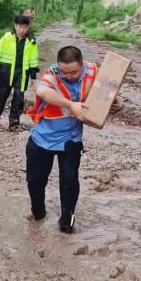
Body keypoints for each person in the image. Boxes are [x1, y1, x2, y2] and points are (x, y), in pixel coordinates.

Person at [26, 46, 97, 234]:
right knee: (35, 182)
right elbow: (42, 91)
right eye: (64, 72)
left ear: (82, 64)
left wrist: (114, 105)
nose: (69, 76)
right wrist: (70, 105)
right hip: (42, 138)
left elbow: (104, 99)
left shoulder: (93, 73)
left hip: (70, 140)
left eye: (73, 72)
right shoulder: (54, 73)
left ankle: (67, 224)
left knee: (69, 182)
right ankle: (38, 215)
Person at [0, 14, 39, 131]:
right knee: (0, 96)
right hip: (6, 71)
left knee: (19, 99)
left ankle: (14, 124)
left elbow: (33, 61)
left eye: (25, 27)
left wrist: (33, 78)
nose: (22, 30)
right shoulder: (7, 37)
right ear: (15, 26)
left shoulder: (31, 42)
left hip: (22, 73)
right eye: (19, 27)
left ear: (28, 27)